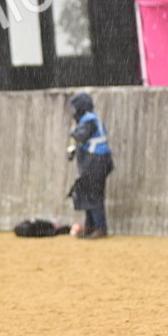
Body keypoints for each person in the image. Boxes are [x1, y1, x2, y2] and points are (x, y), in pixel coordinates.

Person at [66, 92, 114, 239]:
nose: (73, 111)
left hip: (98, 162)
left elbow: (81, 135)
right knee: (86, 193)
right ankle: (90, 226)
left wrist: (73, 132)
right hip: (90, 163)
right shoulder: (83, 120)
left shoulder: (89, 120)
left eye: (75, 108)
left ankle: (100, 228)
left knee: (94, 194)